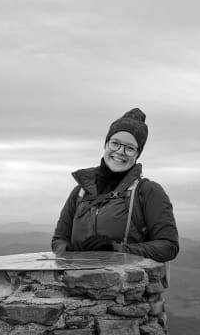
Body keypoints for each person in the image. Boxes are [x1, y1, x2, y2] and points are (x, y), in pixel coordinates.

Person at [51, 108, 179, 263]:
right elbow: (59, 240)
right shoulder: (80, 192)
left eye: (130, 148)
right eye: (115, 143)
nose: (120, 151)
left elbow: (168, 246)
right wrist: (70, 251)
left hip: (127, 286)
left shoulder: (148, 191)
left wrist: (115, 249)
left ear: (137, 154)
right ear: (106, 144)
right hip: (76, 284)